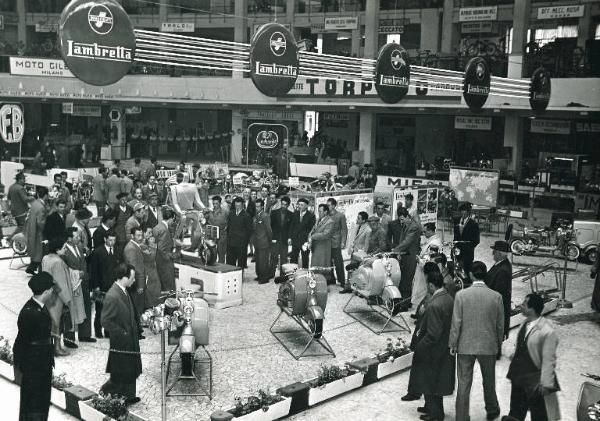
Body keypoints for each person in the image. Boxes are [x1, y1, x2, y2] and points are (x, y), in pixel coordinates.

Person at [449, 261, 504, 421]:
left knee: (464, 384)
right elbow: (500, 325)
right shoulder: (496, 297)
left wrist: (453, 343)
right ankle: (492, 409)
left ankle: (462, 416)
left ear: (470, 275)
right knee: (489, 380)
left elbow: (456, 322)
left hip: (465, 345)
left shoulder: (461, 295)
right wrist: (497, 343)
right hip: (488, 345)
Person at [502, 293, 561, 421]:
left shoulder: (547, 331)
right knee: (516, 413)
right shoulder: (525, 323)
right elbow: (522, 346)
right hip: (519, 378)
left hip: (536, 382)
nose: (520, 306)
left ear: (532, 309)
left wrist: (546, 385)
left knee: (540, 416)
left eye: (524, 304)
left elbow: (549, 360)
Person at [409, 271, 455, 421]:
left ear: (430, 285)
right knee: (436, 382)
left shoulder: (435, 304)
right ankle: (430, 407)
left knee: (430, 381)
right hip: (443, 348)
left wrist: (420, 346)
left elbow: (433, 334)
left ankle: (435, 414)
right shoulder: (447, 298)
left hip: (432, 350)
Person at [13, 272, 55, 421]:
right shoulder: (30, 313)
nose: (52, 291)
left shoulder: (39, 307)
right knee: (33, 405)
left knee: (41, 403)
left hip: (41, 366)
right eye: (51, 289)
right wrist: (26, 370)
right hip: (34, 369)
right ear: (45, 292)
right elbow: (22, 343)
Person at [100, 263, 142, 404]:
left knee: (130, 369)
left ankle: (129, 395)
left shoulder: (123, 290)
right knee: (120, 371)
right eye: (132, 277)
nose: (134, 280)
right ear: (124, 277)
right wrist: (122, 332)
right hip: (122, 340)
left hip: (130, 338)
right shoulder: (112, 295)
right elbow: (105, 321)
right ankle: (105, 391)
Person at [41, 238, 75, 356]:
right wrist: (67, 300)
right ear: (57, 249)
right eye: (64, 247)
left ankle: (52, 347)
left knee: (50, 322)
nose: (66, 249)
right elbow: (61, 283)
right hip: (58, 297)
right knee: (57, 323)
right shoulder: (58, 262)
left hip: (47, 295)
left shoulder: (46, 258)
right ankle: (57, 348)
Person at [61, 227, 93, 345]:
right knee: (71, 310)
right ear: (69, 239)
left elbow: (83, 263)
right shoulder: (63, 251)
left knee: (86, 306)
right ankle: (69, 339)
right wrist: (76, 275)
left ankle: (85, 334)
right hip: (72, 284)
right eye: (76, 236)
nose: (79, 238)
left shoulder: (79, 246)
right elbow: (63, 269)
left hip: (83, 282)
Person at [389, 206, 422, 300]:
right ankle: (402, 300)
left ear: (407, 216)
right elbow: (401, 240)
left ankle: (406, 302)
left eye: (403, 219)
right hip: (404, 255)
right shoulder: (405, 224)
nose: (402, 221)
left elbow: (407, 242)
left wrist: (395, 250)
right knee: (403, 278)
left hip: (411, 256)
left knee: (407, 279)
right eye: (400, 219)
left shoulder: (414, 227)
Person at [90, 230, 118, 338]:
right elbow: (94, 271)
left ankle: (108, 330)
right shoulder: (97, 252)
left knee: (111, 309)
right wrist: (95, 286)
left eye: (114, 240)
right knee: (100, 309)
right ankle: (98, 330)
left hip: (113, 285)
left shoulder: (117, 251)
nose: (112, 242)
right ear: (105, 239)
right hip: (101, 285)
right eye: (110, 240)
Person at [487, 240, 513, 342]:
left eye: (494, 251)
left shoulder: (503, 270)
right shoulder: (501, 264)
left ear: (499, 253)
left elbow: (498, 295)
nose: (492, 253)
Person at [412, 222, 444, 307]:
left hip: (427, 271)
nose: (424, 234)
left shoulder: (434, 243)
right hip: (424, 270)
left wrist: (419, 260)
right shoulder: (432, 240)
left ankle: (421, 312)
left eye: (425, 232)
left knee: (423, 292)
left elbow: (431, 260)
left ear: (430, 231)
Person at [342, 211, 372, 289]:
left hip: (360, 255)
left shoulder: (368, 230)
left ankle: (355, 288)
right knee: (351, 270)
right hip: (354, 252)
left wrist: (363, 257)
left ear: (364, 220)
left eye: (359, 218)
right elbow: (354, 239)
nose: (357, 219)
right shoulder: (357, 226)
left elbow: (366, 245)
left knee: (357, 271)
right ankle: (349, 287)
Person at [123, 226, 147, 320]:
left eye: (141, 235)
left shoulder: (134, 246)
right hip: (136, 284)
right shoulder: (131, 248)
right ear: (132, 236)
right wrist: (140, 285)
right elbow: (134, 269)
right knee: (137, 308)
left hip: (136, 283)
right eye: (138, 235)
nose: (140, 237)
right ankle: (137, 331)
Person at [308, 204, 335, 285]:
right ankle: (316, 282)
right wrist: (309, 236)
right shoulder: (318, 219)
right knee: (315, 265)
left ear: (325, 212)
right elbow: (313, 229)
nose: (318, 212)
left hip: (323, 247)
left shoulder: (330, 221)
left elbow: (326, 234)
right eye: (318, 211)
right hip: (316, 246)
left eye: (320, 211)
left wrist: (312, 236)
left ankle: (323, 284)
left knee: (322, 265)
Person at [25, 186, 49, 275]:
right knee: (40, 254)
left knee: (36, 253)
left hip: (32, 230)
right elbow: (41, 222)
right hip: (39, 233)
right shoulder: (41, 207)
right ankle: (39, 271)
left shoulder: (35, 203)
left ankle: (31, 268)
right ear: (46, 195)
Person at [153, 207, 176, 292]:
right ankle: (170, 304)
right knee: (169, 286)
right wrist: (170, 256)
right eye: (173, 220)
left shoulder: (157, 227)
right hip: (165, 264)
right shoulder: (164, 230)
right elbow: (161, 248)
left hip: (158, 261)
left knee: (162, 286)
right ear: (171, 218)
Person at [453, 202, 480, 277]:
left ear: (468, 213)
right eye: (461, 212)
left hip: (468, 254)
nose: (463, 214)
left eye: (465, 212)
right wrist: (455, 247)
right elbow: (455, 236)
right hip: (457, 252)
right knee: (456, 272)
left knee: (467, 273)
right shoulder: (456, 221)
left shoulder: (474, 224)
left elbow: (476, 240)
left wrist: (468, 248)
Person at [270, 195, 293, 279]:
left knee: (284, 258)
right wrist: (272, 238)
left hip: (284, 239)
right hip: (275, 238)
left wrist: (290, 238)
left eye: (285, 204)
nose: (283, 206)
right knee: (273, 257)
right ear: (280, 203)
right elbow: (271, 226)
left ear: (288, 205)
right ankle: (271, 273)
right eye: (282, 204)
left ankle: (282, 276)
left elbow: (291, 228)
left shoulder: (291, 215)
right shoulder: (274, 212)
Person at [327, 198, 348, 292]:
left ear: (333, 205)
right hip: (326, 242)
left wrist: (343, 242)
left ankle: (342, 281)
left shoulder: (340, 216)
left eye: (329, 205)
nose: (327, 207)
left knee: (338, 262)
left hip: (336, 242)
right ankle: (331, 279)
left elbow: (344, 230)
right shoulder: (326, 215)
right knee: (328, 262)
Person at [226, 197, 253, 268]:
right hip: (231, 243)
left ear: (242, 205)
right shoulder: (231, 213)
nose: (237, 207)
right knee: (230, 262)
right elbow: (228, 227)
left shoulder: (247, 216)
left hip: (241, 244)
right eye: (236, 205)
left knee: (241, 263)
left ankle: (240, 277)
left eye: (239, 205)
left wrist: (245, 243)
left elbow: (249, 231)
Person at [289, 198, 316, 269]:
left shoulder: (311, 216)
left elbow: (312, 229)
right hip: (295, 240)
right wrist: (290, 237)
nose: (299, 206)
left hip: (305, 241)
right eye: (299, 204)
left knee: (305, 259)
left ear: (306, 206)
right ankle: (292, 274)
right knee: (293, 258)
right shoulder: (295, 214)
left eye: (302, 205)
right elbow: (291, 226)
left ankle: (304, 275)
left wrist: (308, 240)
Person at [7, 172, 34, 239]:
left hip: (14, 210)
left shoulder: (11, 187)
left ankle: (13, 239)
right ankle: (10, 238)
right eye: (24, 179)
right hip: (21, 211)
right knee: (22, 226)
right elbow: (25, 199)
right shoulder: (20, 188)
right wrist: (32, 197)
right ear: (20, 179)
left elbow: (9, 198)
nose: (25, 181)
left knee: (21, 225)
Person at [141, 227, 161, 308]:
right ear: (143, 233)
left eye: (151, 233)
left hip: (152, 272)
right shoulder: (142, 245)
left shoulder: (146, 243)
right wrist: (152, 245)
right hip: (148, 273)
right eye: (149, 233)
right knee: (151, 294)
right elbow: (151, 257)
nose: (151, 235)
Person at [253, 198, 272, 284]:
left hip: (264, 242)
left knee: (263, 261)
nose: (257, 208)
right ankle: (259, 275)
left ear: (262, 207)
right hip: (257, 242)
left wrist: (269, 241)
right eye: (256, 206)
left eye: (258, 207)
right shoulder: (256, 215)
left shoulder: (265, 216)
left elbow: (269, 230)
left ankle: (264, 278)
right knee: (258, 261)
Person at [207, 195, 228, 263]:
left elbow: (230, 222)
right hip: (212, 235)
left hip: (222, 235)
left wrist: (226, 229)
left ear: (220, 203)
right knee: (211, 253)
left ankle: (221, 269)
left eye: (216, 203)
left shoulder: (225, 212)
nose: (215, 205)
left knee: (221, 254)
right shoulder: (210, 212)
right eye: (213, 204)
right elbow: (205, 221)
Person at [113, 193, 133, 260]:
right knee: (120, 250)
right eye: (122, 200)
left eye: (126, 200)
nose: (125, 201)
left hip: (128, 232)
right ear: (119, 201)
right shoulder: (115, 209)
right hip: (119, 233)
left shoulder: (130, 208)